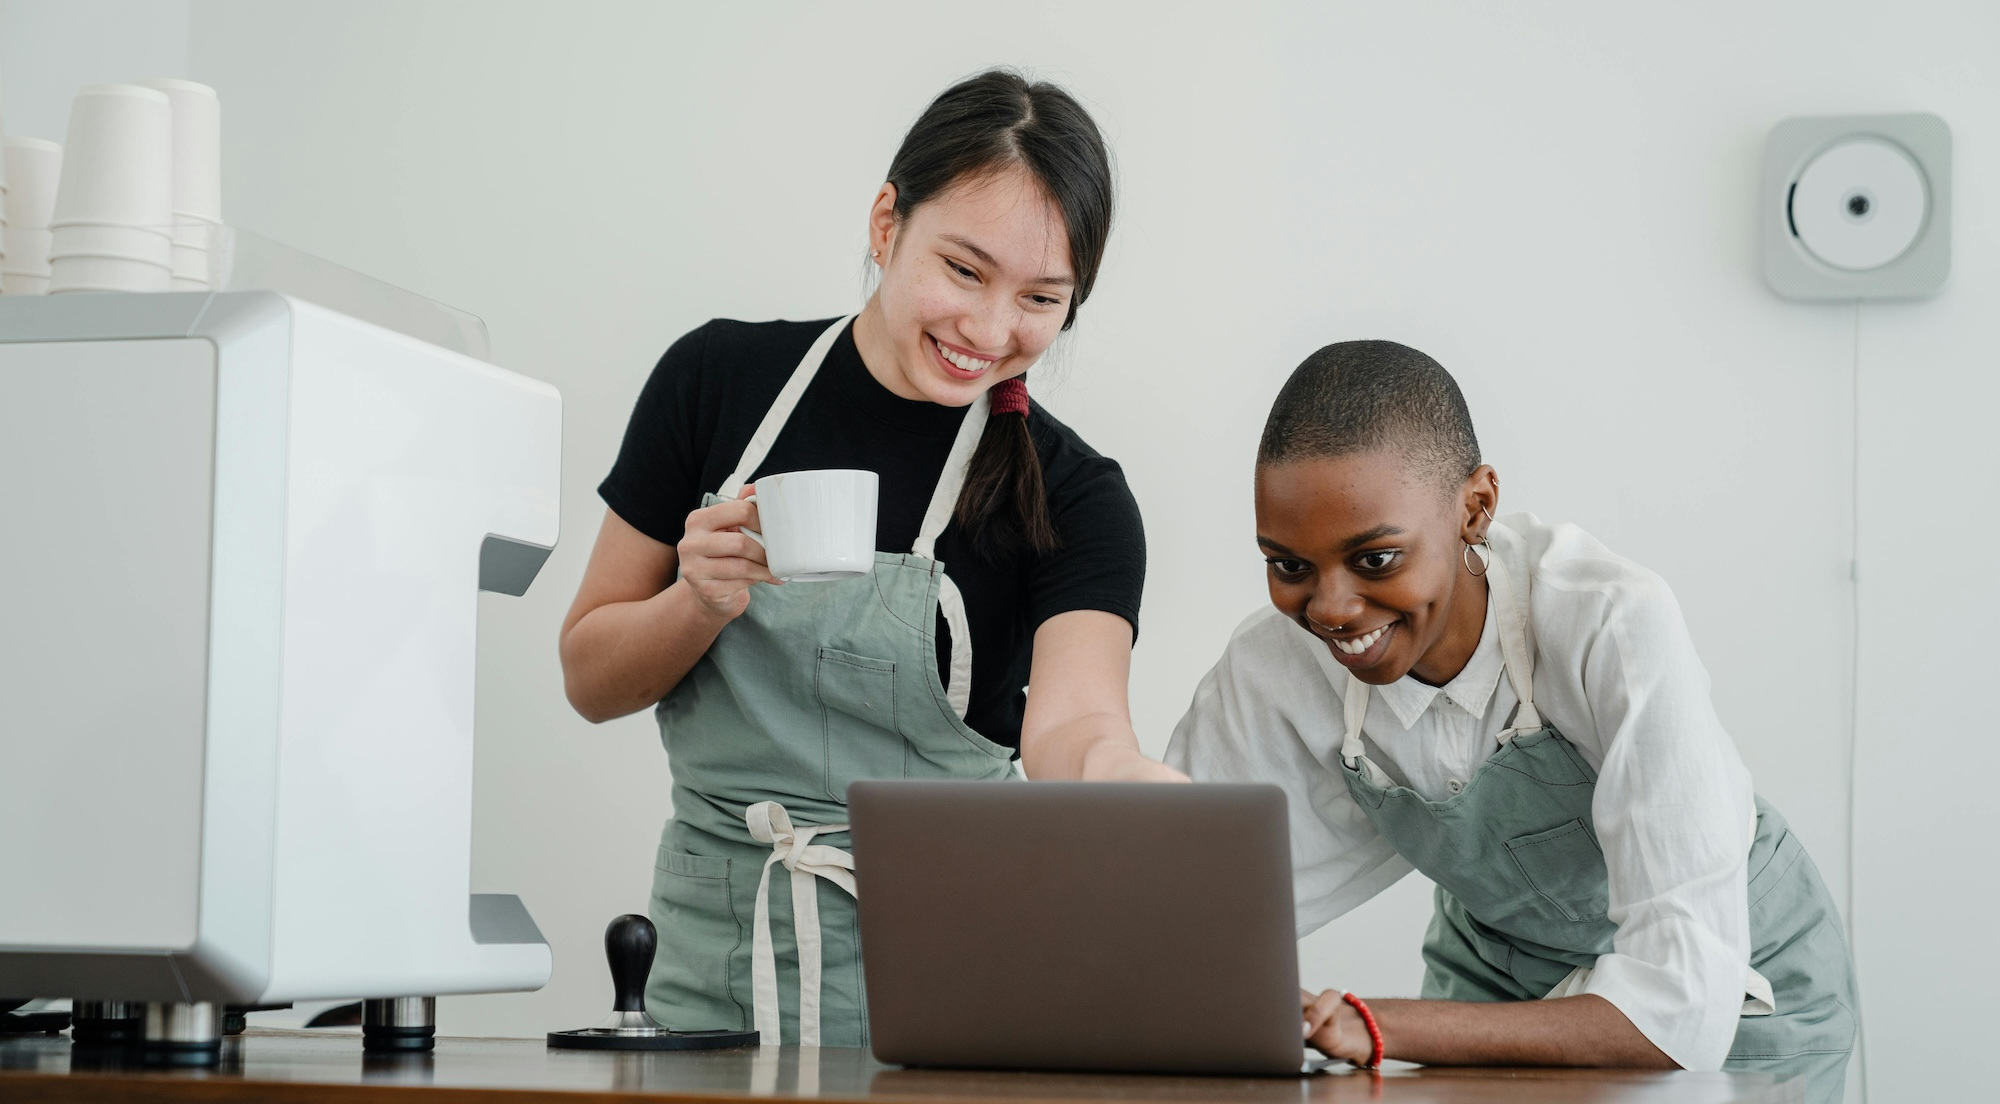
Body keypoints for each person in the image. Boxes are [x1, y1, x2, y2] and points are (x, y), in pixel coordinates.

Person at [560, 69, 1181, 1049]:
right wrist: (696, 599)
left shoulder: (1075, 497)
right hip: (710, 981)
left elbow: (1075, 726)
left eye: (1040, 298)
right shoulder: (714, 383)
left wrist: (1131, 780)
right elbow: (588, 677)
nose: (986, 331)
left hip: (952, 997)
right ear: (885, 222)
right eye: (964, 270)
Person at [1167, 341, 1856, 1100]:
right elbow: (1173, 918)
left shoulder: (1612, 622)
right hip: (1495, 978)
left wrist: (1381, 1026)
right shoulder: (1274, 670)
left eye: (1375, 560)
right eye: (1290, 566)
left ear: (1476, 507)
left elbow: (1681, 1015)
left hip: (1739, 984)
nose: (1329, 609)